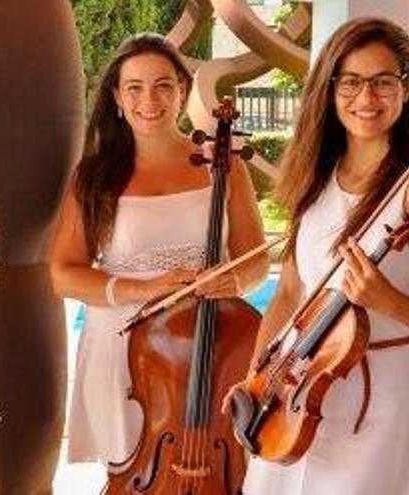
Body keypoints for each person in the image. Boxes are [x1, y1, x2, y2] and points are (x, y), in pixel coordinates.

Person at [49, 32, 268, 478]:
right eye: (135, 87)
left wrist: (237, 281)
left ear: (182, 91)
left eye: (163, 85)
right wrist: (143, 289)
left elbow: (255, 260)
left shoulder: (224, 163)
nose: (149, 99)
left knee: (213, 468)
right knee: (135, 474)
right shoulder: (93, 176)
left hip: (212, 348)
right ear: (116, 96)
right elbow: (64, 275)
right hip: (124, 351)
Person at [231, 17, 409, 495]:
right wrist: (256, 382)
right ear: (329, 90)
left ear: (405, 89)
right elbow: (289, 291)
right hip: (294, 393)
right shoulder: (315, 175)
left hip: (384, 403)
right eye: (350, 82)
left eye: (383, 82)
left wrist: (387, 300)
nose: (365, 98)